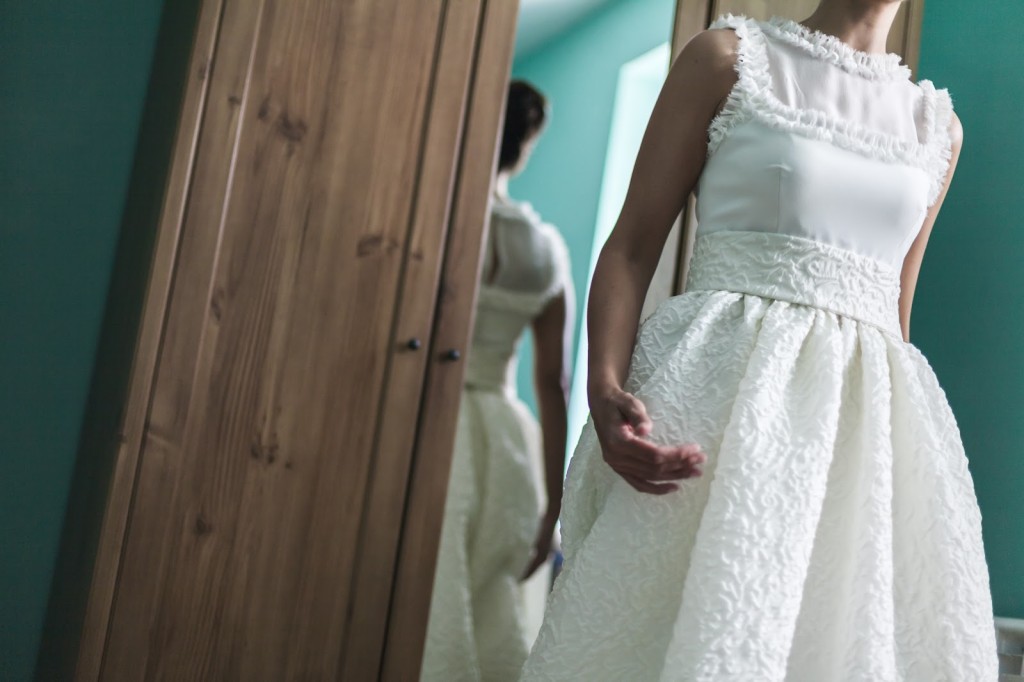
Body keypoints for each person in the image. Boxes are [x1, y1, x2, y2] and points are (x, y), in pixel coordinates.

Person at [519, 3, 997, 680]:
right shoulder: (727, 59)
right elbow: (630, 248)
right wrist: (604, 388)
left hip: (859, 438)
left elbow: (895, 313)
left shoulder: (936, 127)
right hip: (718, 404)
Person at [420, 80, 574, 681]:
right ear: (524, 147)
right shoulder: (545, 249)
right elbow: (553, 380)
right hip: (507, 441)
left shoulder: (442, 226)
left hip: (436, 419)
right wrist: (552, 505)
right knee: (487, 604)